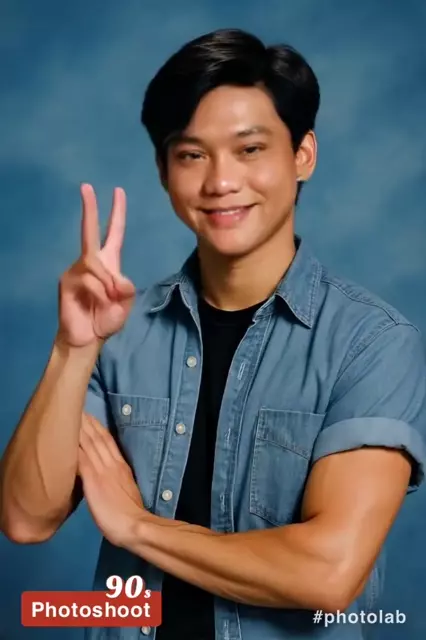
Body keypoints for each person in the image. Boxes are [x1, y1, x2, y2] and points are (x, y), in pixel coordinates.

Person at [1, 27, 426, 640]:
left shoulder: (371, 342)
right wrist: (74, 349)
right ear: (163, 169)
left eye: (249, 149)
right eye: (192, 155)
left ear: (303, 154)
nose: (221, 181)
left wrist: (136, 527)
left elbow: (328, 572)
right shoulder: (118, 333)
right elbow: (26, 519)